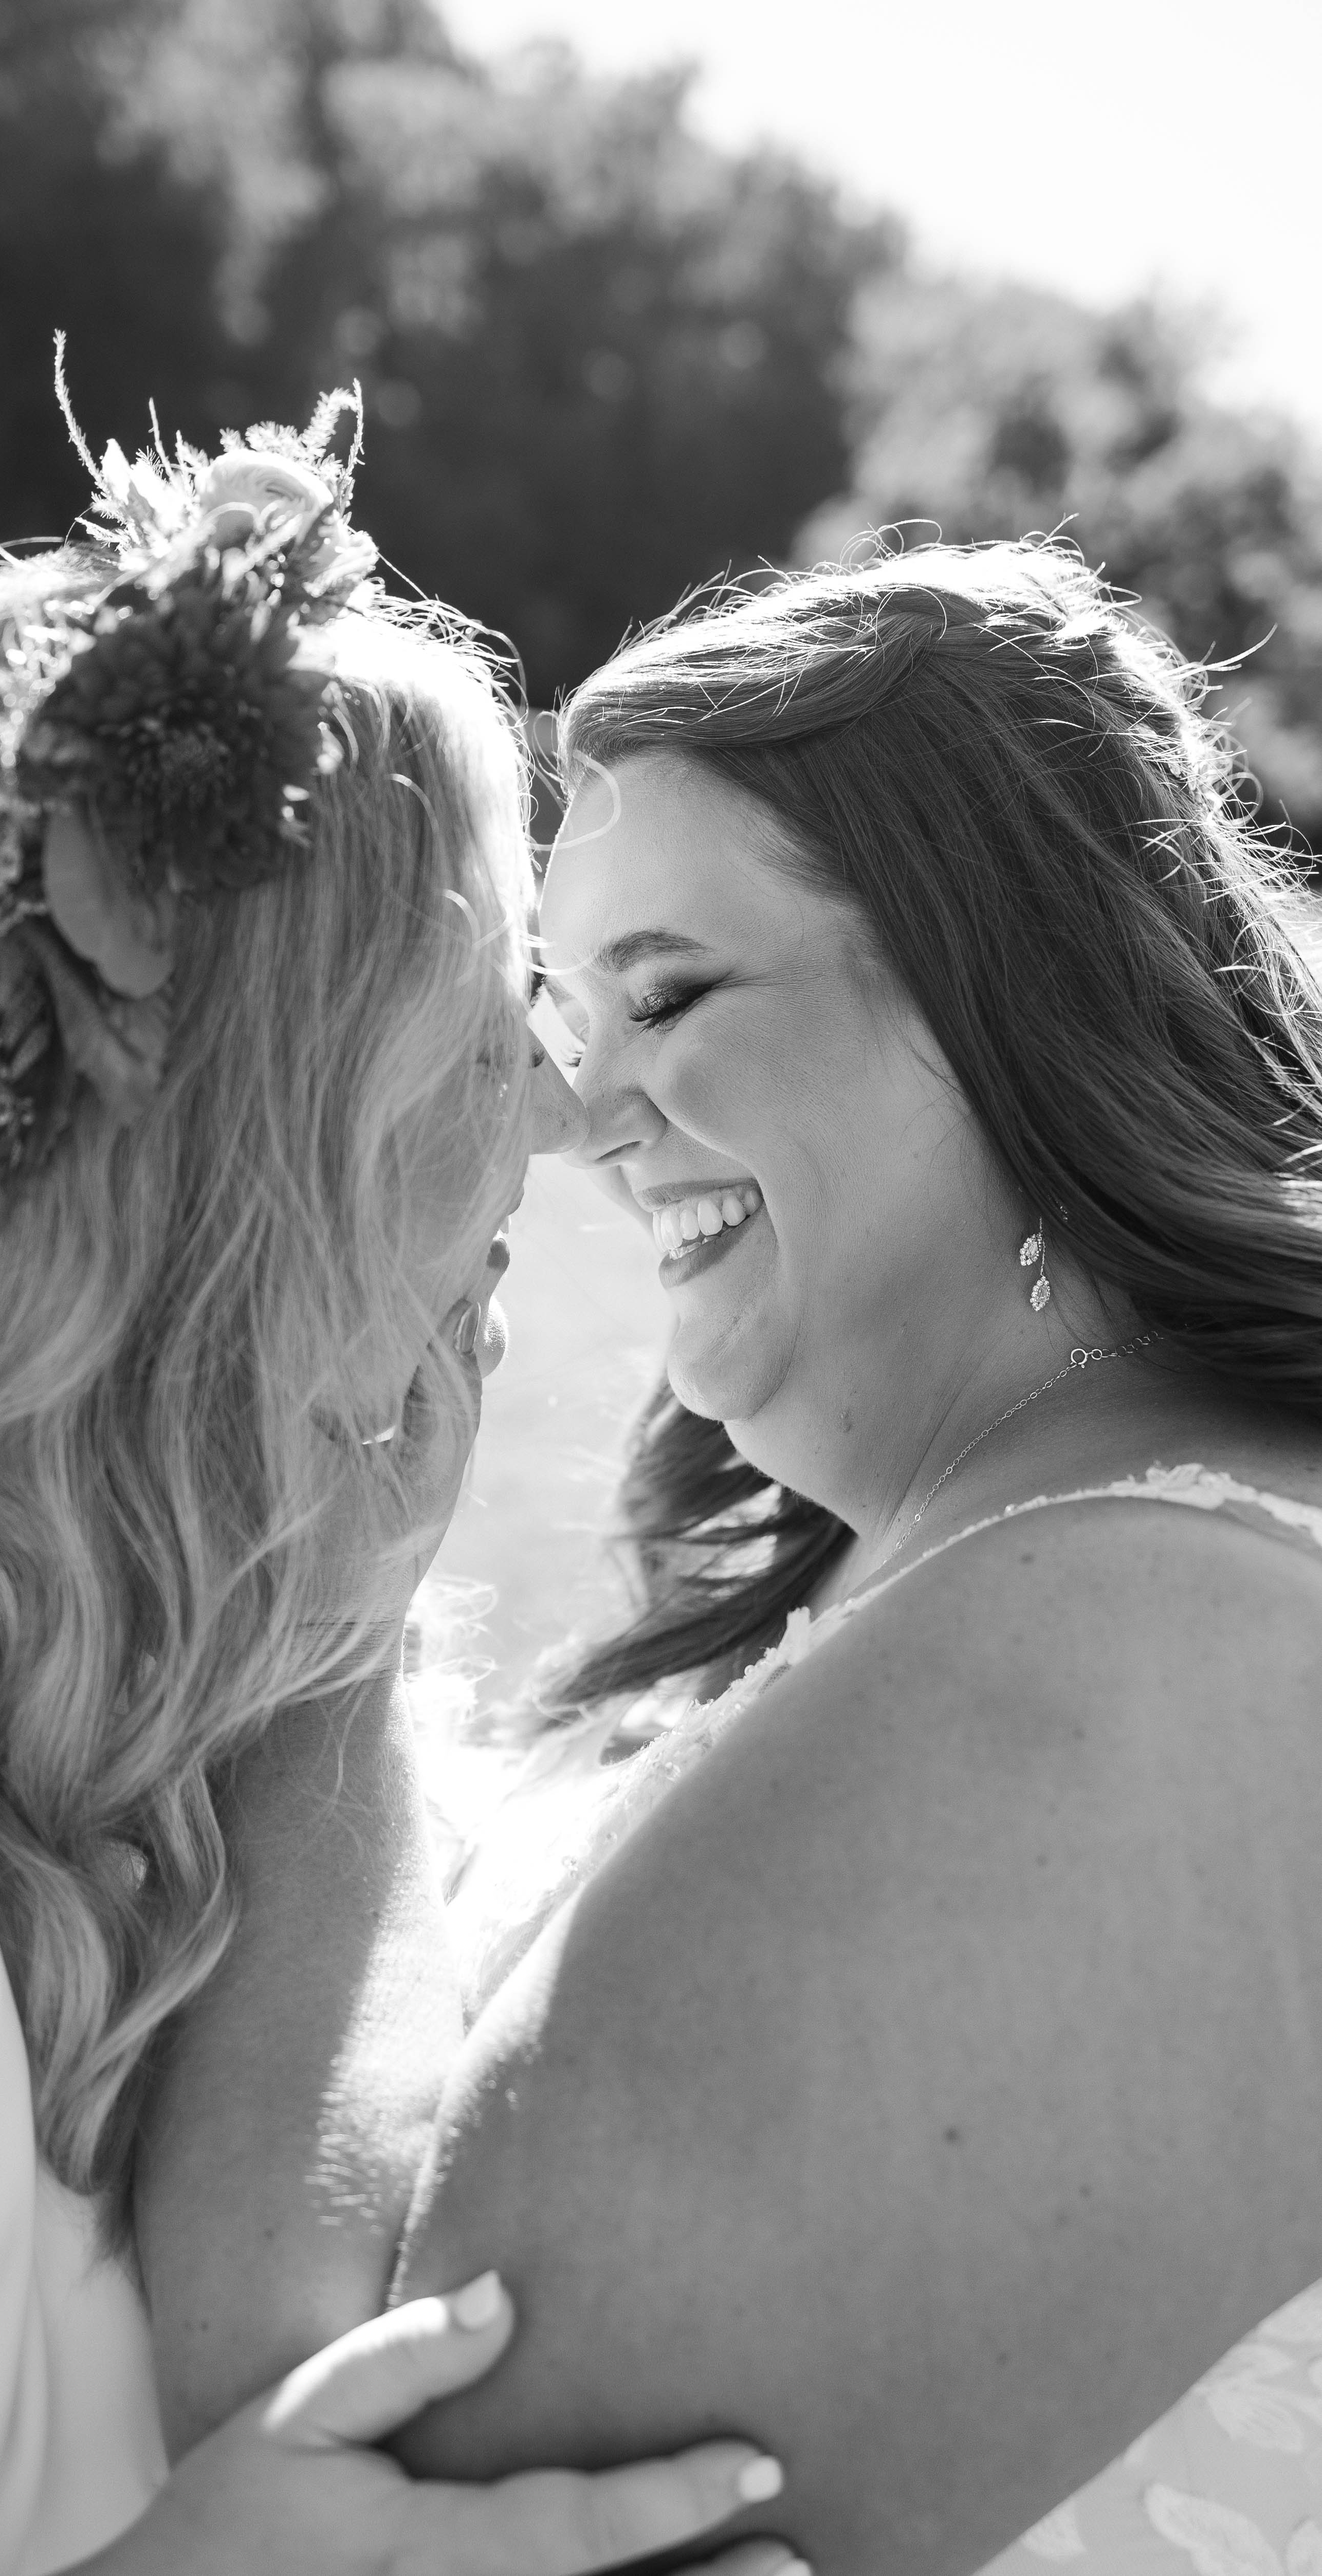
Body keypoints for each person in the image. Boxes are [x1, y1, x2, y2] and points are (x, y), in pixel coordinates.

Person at [0, 398, 793, 2574]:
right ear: (236, 1172)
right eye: (483, 1015)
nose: (559, 1113)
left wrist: (330, 1617)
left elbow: (297, 2313)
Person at [385, 540, 1322, 2576]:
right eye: (565, 1011)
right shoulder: (992, 1562)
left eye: (667, 994)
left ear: (1006, 998)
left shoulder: (1136, 1645)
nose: (577, 1114)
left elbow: (426, 2459)